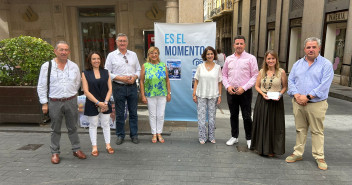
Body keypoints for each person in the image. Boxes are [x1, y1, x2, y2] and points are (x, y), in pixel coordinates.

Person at [285, 37, 334, 170]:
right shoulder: (297, 64)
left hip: (316, 103)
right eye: (308, 47)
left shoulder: (326, 64)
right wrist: (296, 95)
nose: (311, 49)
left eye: (313, 47)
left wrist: (307, 97)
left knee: (317, 131)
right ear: (304, 49)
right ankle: (298, 153)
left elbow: (324, 85)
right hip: (298, 102)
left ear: (319, 48)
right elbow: (291, 80)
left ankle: (319, 156)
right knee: (300, 129)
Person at [37, 41, 86, 164]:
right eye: (61, 50)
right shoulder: (47, 66)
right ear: (55, 51)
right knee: (55, 128)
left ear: (69, 52)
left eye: (66, 50)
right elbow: (41, 85)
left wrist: (71, 94)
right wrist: (44, 103)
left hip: (71, 101)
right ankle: (55, 152)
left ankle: (76, 149)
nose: (64, 52)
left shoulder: (74, 66)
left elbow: (77, 83)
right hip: (54, 102)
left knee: (73, 127)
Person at [222, 35, 259, 148]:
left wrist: (244, 87)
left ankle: (249, 138)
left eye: (241, 43)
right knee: (233, 115)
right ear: (234, 45)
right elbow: (224, 75)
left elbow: (255, 75)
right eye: (237, 44)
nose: (239, 46)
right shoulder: (228, 59)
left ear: (244, 45)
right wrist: (228, 87)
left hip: (245, 92)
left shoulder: (251, 58)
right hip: (231, 91)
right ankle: (234, 136)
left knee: (247, 116)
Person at [105, 33, 141, 145]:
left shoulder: (133, 55)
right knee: (120, 113)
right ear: (116, 42)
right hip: (118, 87)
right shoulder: (111, 55)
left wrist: (134, 77)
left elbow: (139, 70)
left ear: (127, 42)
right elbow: (107, 72)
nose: (122, 43)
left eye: (124, 41)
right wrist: (120, 78)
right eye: (120, 41)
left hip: (132, 87)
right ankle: (120, 135)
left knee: (133, 112)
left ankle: (134, 135)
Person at [250, 50, 287, 156]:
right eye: (269, 58)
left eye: (273, 58)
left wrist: (280, 95)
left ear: (276, 60)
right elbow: (257, 86)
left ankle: (272, 149)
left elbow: (284, 87)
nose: (271, 61)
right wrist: (263, 94)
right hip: (263, 100)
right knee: (262, 124)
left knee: (274, 125)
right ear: (265, 60)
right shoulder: (261, 72)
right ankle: (261, 148)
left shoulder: (281, 72)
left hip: (276, 102)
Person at [81, 51, 114, 156]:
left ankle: (108, 145)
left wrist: (105, 102)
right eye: (94, 59)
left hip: (105, 102)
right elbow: (86, 91)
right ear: (90, 61)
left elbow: (110, 89)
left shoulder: (106, 72)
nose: (96, 61)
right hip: (92, 102)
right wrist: (98, 103)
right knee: (93, 125)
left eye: (98, 58)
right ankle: (94, 147)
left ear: (101, 60)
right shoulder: (85, 73)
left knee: (106, 124)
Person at [139, 47, 171, 143]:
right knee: (153, 115)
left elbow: (167, 80)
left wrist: (169, 93)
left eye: (156, 53)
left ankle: (159, 133)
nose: (154, 55)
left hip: (162, 94)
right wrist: (143, 95)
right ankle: (153, 134)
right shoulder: (145, 66)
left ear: (158, 54)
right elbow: (141, 81)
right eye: (151, 53)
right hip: (150, 94)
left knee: (160, 115)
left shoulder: (163, 65)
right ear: (148, 54)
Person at [193, 46, 222, 144]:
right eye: (208, 54)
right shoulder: (200, 66)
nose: (210, 55)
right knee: (201, 117)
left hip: (213, 95)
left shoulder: (218, 68)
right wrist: (194, 94)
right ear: (205, 55)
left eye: (212, 54)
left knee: (212, 118)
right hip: (201, 95)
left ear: (214, 55)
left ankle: (211, 137)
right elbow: (196, 81)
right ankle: (202, 137)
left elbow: (219, 83)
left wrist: (220, 95)